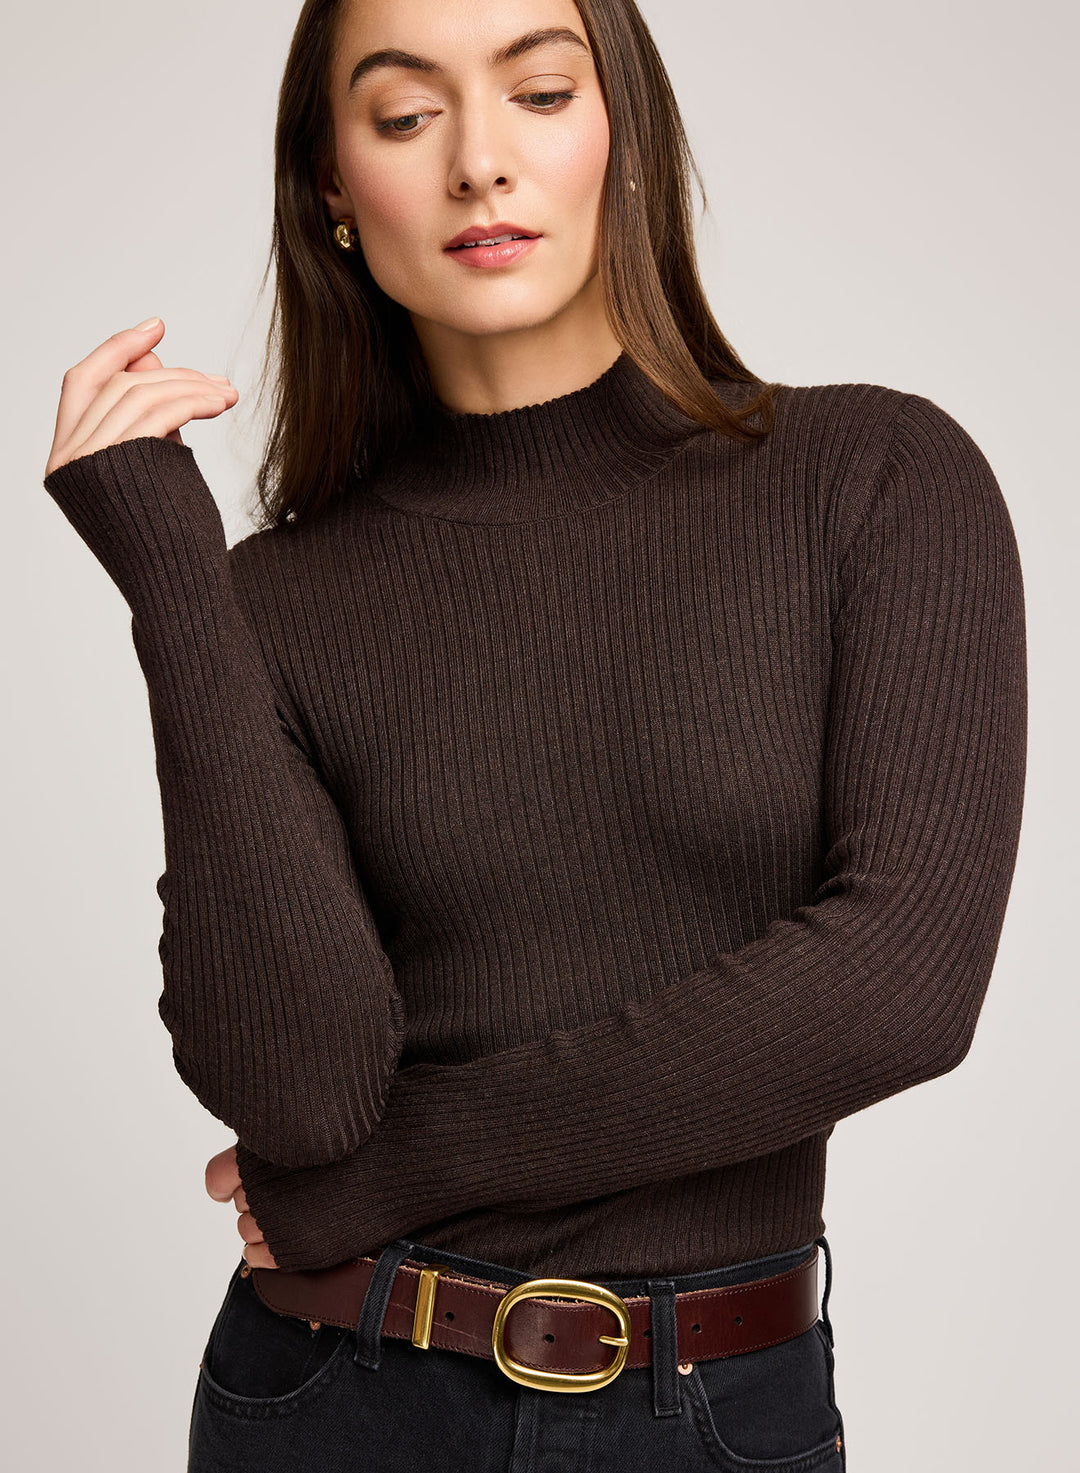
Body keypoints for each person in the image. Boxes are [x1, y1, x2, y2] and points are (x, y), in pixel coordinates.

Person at [41, 0, 1027, 1468]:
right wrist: (178, 588)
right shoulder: (276, 597)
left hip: (713, 1409)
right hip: (331, 1395)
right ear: (332, 188)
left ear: (620, 131)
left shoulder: (876, 480)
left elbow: (895, 985)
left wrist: (402, 1168)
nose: (481, 164)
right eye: (403, 115)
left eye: (541, 91)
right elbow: (300, 1087)